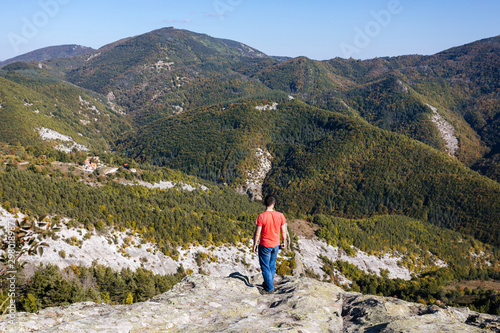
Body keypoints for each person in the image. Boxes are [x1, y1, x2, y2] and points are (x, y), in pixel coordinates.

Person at [252, 195, 287, 294]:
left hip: (265, 245)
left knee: (265, 266)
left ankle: (269, 288)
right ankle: (268, 283)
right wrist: (283, 242)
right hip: (275, 245)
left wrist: (255, 244)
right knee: (271, 265)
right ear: (273, 204)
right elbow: (283, 231)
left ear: (265, 203)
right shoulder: (280, 215)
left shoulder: (261, 216)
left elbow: (257, 233)